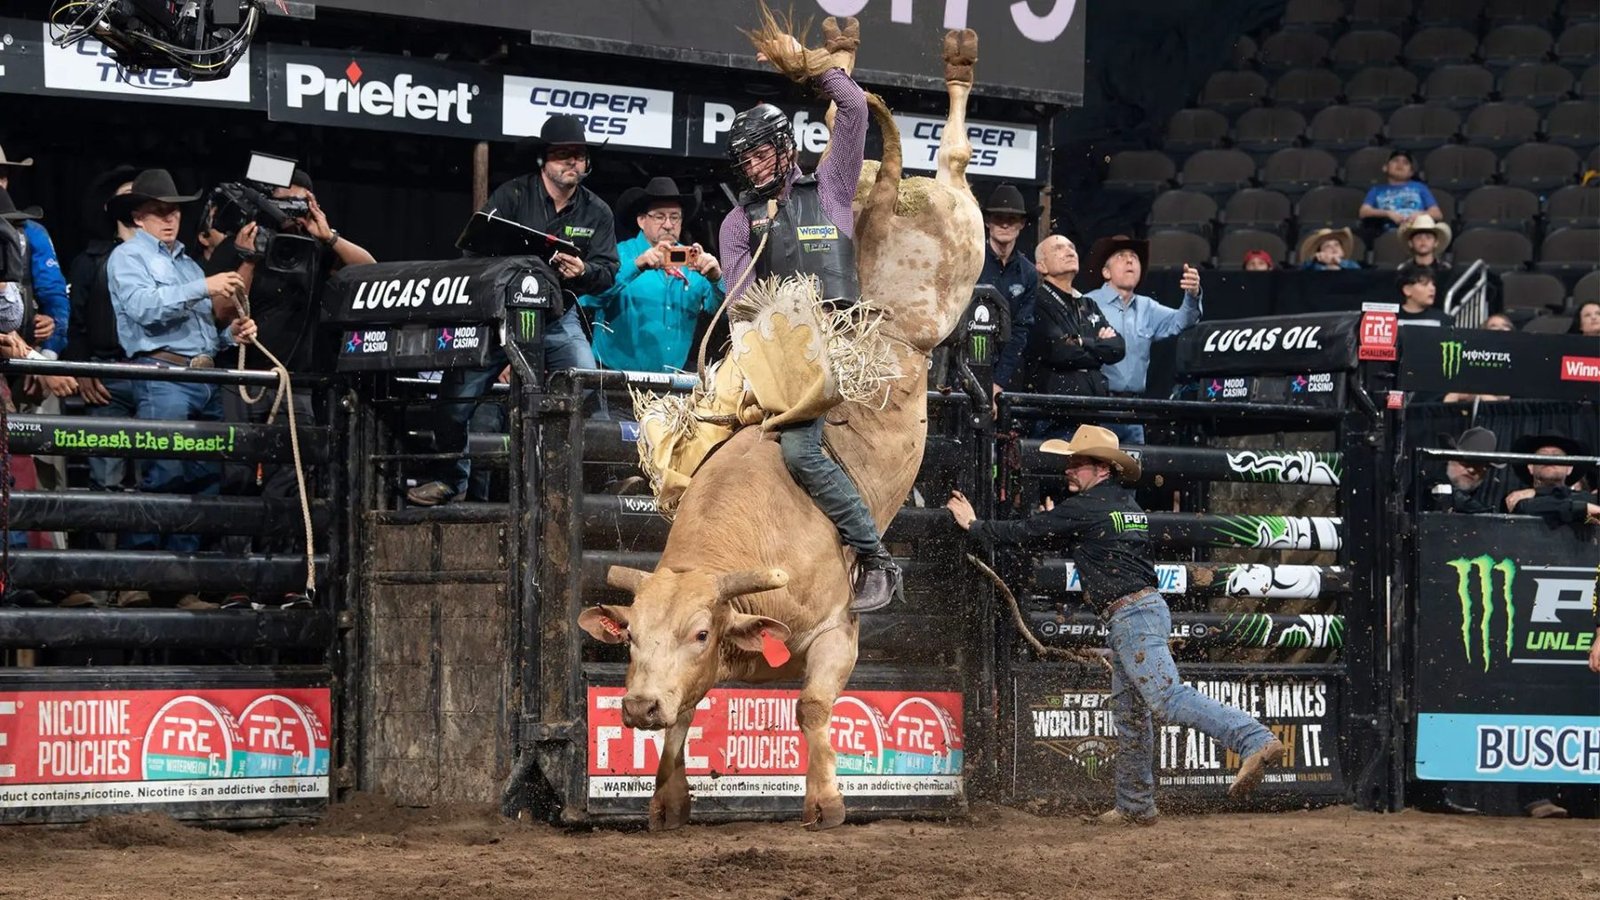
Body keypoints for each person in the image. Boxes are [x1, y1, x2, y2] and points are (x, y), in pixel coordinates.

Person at [944, 425, 1284, 823]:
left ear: (1101, 469)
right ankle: (1135, 805)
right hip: (1141, 611)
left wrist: (973, 524)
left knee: (1165, 699)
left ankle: (1253, 739)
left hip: (1131, 617)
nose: (1069, 470)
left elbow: (1025, 532)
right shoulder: (1125, 505)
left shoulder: (1090, 507)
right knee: (1131, 713)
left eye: (1077, 463)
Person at [716, 46, 900, 613]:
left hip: (841, 342)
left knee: (798, 451)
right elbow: (739, 298)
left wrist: (810, 66)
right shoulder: (736, 221)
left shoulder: (830, 187)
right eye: (744, 161)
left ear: (786, 147)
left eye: (760, 155)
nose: (753, 168)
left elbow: (854, 107)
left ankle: (875, 556)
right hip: (776, 353)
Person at [408, 114, 619, 506]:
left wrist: (584, 270)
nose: (572, 162)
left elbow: (608, 273)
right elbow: (472, 248)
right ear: (544, 160)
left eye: (579, 155)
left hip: (557, 315)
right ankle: (451, 479)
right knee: (455, 396)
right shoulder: (512, 196)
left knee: (588, 386)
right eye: (562, 155)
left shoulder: (598, 212)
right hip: (498, 317)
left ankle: (599, 483)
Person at [206, 168, 374, 607]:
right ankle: (236, 580)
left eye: (303, 201)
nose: (294, 211)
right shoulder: (241, 241)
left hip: (296, 381)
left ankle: (282, 579)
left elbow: (370, 272)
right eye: (286, 202)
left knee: (291, 481)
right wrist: (249, 256)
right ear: (269, 202)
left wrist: (328, 235)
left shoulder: (321, 248)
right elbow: (221, 311)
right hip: (243, 376)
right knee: (236, 476)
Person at [105, 169, 257, 608]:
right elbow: (142, 309)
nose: (169, 219)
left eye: (173, 211)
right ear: (139, 216)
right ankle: (137, 578)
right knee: (165, 474)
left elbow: (205, 329)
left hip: (200, 375)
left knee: (202, 479)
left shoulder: (188, 262)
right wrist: (202, 287)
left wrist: (234, 335)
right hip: (162, 374)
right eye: (159, 212)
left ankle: (180, 582)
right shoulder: (128, 257)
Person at [579, 176, 723, 373]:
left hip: (672, 390)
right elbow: (588, 300)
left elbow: (721, 314)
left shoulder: (695, 261)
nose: (668, 224)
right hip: (613, 380)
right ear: (641, 220)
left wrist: (717, 279)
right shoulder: (618, 255)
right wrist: (636, 266)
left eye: (675, 217)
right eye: (659, 216)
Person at [1083, 235, 1203, 444]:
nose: (1130, 261)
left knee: (1133, 472)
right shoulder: (1087, 303)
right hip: (1097, 409)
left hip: (1133, 410)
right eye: (1121, 256)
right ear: (1106, 272)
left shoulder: (1147, 307)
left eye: (1134, 257)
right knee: (1097, 470)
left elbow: (1183, 321)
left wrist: (1192, 295)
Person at [1019, 235, 1124, 409]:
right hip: (1054, 412)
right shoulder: (1036, 301)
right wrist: (1098, 348)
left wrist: (1081, 342)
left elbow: (1118, 348)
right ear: (1041, 266)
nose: (1069, 252)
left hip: (1094, 408)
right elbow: (1059, 350)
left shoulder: (1088, 304)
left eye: (1072, 247)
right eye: (1058, 248)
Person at [0, 146, 71, 364]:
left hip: (26, 353)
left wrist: (48, 354)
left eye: (1, 176)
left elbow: (54, 295)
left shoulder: (32, 233)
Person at [980, 183, 1040, 400]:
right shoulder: (972, 260)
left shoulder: (1029, 273)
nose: (1005, 223)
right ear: (987, 221)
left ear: (1022, 224)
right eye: (998, 217)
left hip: (1006, 369)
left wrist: (999, 381)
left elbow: (1021, 329)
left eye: (1012, 218)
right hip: (964, 360)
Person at [1503, 433, 1599, 526]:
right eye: (1542, 456)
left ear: (1569, 468)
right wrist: (1578, 509)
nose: (1549, 459)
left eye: (1557, 456)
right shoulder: (1515, 498)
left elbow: (1597, 518)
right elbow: (1525, 509)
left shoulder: (1588, 499)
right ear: (1530, 466)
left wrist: (1538, 493)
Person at [1358, 149, 1444, 231]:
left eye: (1405, 163)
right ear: (1385, 168)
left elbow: (1437, 214)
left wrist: (1420, 214)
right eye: (1395, 161)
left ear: (1411, 172)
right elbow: (1363, 212)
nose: (1400, 164)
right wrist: (1388, 214)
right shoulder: (1376, 190)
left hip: (1415, 232)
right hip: (1389, 233)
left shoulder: (1420, 187)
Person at [1430, 427, 1509, 514]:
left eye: (1479, 464)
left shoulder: (1483, 496)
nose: (1471, 470)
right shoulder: (1427, 488)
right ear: (1450, 459)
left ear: (1486, 469)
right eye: (1465, 462)